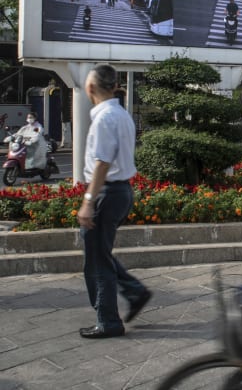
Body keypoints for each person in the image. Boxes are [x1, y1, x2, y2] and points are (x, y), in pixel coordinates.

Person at [77, 64, 152, 339]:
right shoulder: (120, 114)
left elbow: (102, 164)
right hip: (121, 192)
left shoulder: (105, 118)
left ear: (91, 88)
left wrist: (88, 200)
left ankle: (108, 321)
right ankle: (135, 292)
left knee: (97, 261)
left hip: (107, 194)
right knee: (101, 254)